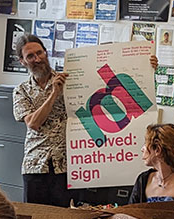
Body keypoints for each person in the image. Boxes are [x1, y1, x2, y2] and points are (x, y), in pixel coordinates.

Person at [12, 33, 158, 207]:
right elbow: (33, 123)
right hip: (35, 165)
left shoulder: (69, 79)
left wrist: (144, 67)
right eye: (30, 56)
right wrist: (54, 94)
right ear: (22, 61)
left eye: (40, 53)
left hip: (67, 166)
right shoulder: (21, 91)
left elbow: (109, 85)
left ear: (46, 52)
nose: (37, 59)